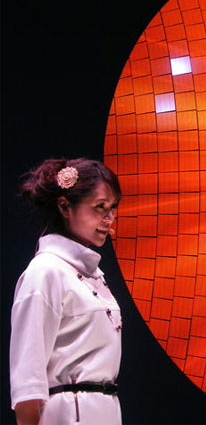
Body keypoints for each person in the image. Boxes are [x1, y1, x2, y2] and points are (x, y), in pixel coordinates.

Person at [10, 158, 123, 425]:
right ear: (64, 206)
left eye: (113, 208)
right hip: (69, 415)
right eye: (100, 207)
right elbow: (28, 384)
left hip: (104, 412)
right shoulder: (45, 272)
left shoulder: (95, 276)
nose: (109, 218)